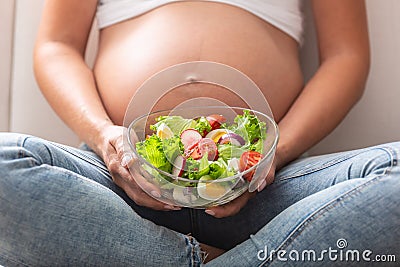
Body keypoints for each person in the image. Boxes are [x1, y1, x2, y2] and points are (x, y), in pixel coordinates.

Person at [0, 0, 399, 266]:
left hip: (269, 191)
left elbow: (346, 57)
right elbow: (56, 45)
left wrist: (272, 155)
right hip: (118, 189)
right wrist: (107, 139)